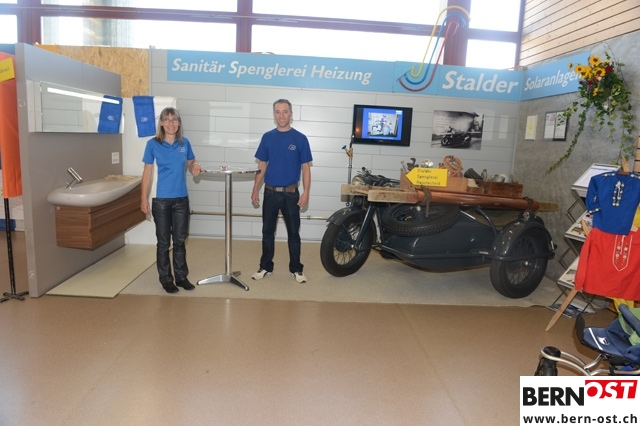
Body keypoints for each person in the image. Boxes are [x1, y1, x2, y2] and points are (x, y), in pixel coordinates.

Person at [141, 107, 202, 294]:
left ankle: (181, 277)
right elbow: (147, 173)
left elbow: (191, 161)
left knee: (180, 241)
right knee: (163, 242)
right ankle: (166, 279)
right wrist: (143, 198)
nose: (171, 123)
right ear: (161, 123)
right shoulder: (153, 144)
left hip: (181, 200)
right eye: (166, 120)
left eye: (174, 120)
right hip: (161, 201)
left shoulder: (185, 143)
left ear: (179, 123)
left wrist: (196, 165)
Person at [251, 99, 313, 283]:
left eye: (285, 111)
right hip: (270, 193)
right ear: (274, 115)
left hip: (291, 194)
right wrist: (255, 188)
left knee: (293, 234)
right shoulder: (267, 137)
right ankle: (265, 267)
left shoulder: (300, 139)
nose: (281, 116)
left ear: (291, 114)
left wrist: (306, 192)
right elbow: (262, 165)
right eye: (278, 112)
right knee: (267, 232)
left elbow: (306, 168)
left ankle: (297, 269)